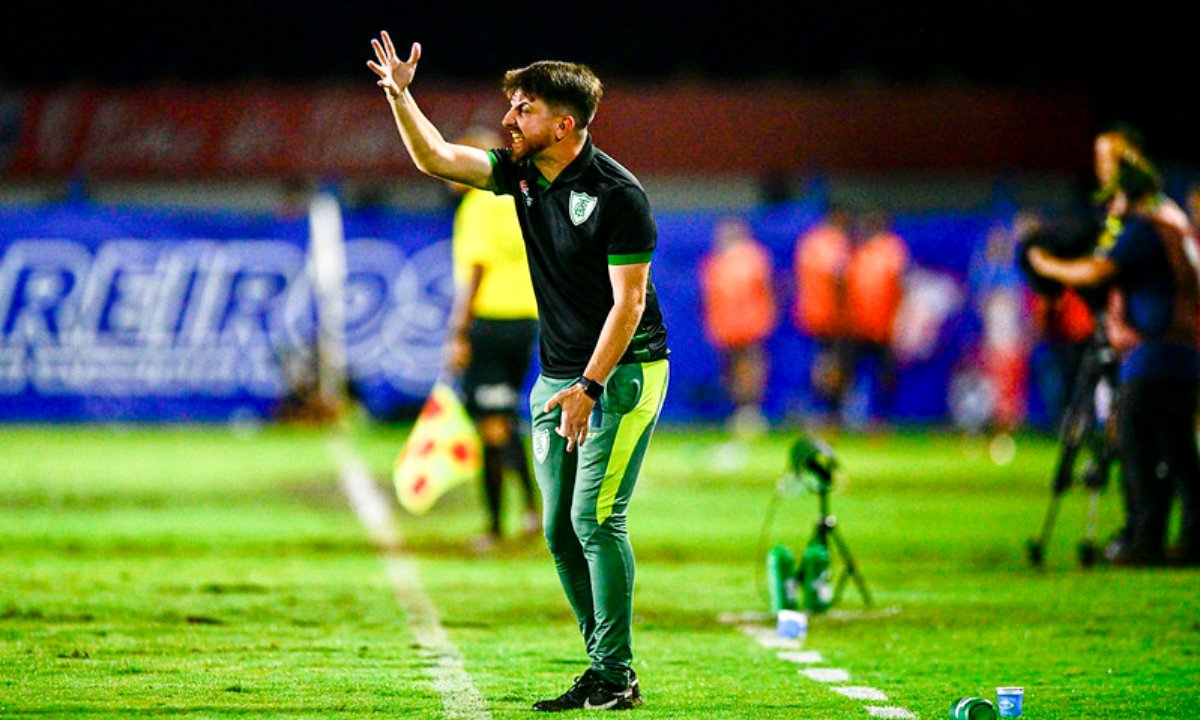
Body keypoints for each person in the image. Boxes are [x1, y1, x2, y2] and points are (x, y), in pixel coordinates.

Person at [369, 32, 670, 709]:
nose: (510, 119)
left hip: (623, 374)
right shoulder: (526, 172)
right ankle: (607, 666)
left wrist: (589, 388)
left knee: (596, 520)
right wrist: (401, 96)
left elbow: (631, 305)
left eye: (524, 108)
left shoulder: (620, 195)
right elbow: (436, 157)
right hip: (556, 375)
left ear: (563, 124)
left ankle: (614, 672)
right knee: (560, 530)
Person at [1027, 147, 1200, 566]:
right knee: (1179, 450)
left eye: (1115, 196)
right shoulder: (1173, 224)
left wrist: (1048, 267)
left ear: (1128, 195)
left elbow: (1098, 271)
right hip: (1185, 348)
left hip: (1153, 351)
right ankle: (1192, 540)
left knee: (1135, 445)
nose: (1111, 207)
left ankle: (1145, 539)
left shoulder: (1143, 229)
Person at [443, 127, 541, 552]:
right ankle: (533, 511)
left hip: (490, 322)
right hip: (526, 322)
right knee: (504, 418)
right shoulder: (520, 200)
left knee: (490, 426)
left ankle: (495, 526)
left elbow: (476, 272)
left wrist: (458, 333)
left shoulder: (476, 207)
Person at [699, 217, 776, 437]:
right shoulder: (716, 262)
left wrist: (764, 319)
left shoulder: (754, 259)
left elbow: (765, 291)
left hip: (750, 326)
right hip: (726, 329)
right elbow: (711, 298)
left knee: (750, 369)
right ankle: (740, 412)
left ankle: (750, 413)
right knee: (731, 372)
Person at [841, 211, 909, 427]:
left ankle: (881, 419)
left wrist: (900, 320)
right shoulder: (859, 252)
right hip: (858, 325)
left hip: (884, 327)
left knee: (885, 375)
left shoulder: (892, 251)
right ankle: (844, 417)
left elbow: (900, 287)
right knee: (847, 372)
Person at [793, 205, 853, 424]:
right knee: (834, 361)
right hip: (833, 315)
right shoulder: (834, 243)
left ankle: (824, 407)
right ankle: (831, 410)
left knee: (823, 360)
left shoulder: (810, 242)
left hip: (813, 313)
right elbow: (839, 276)